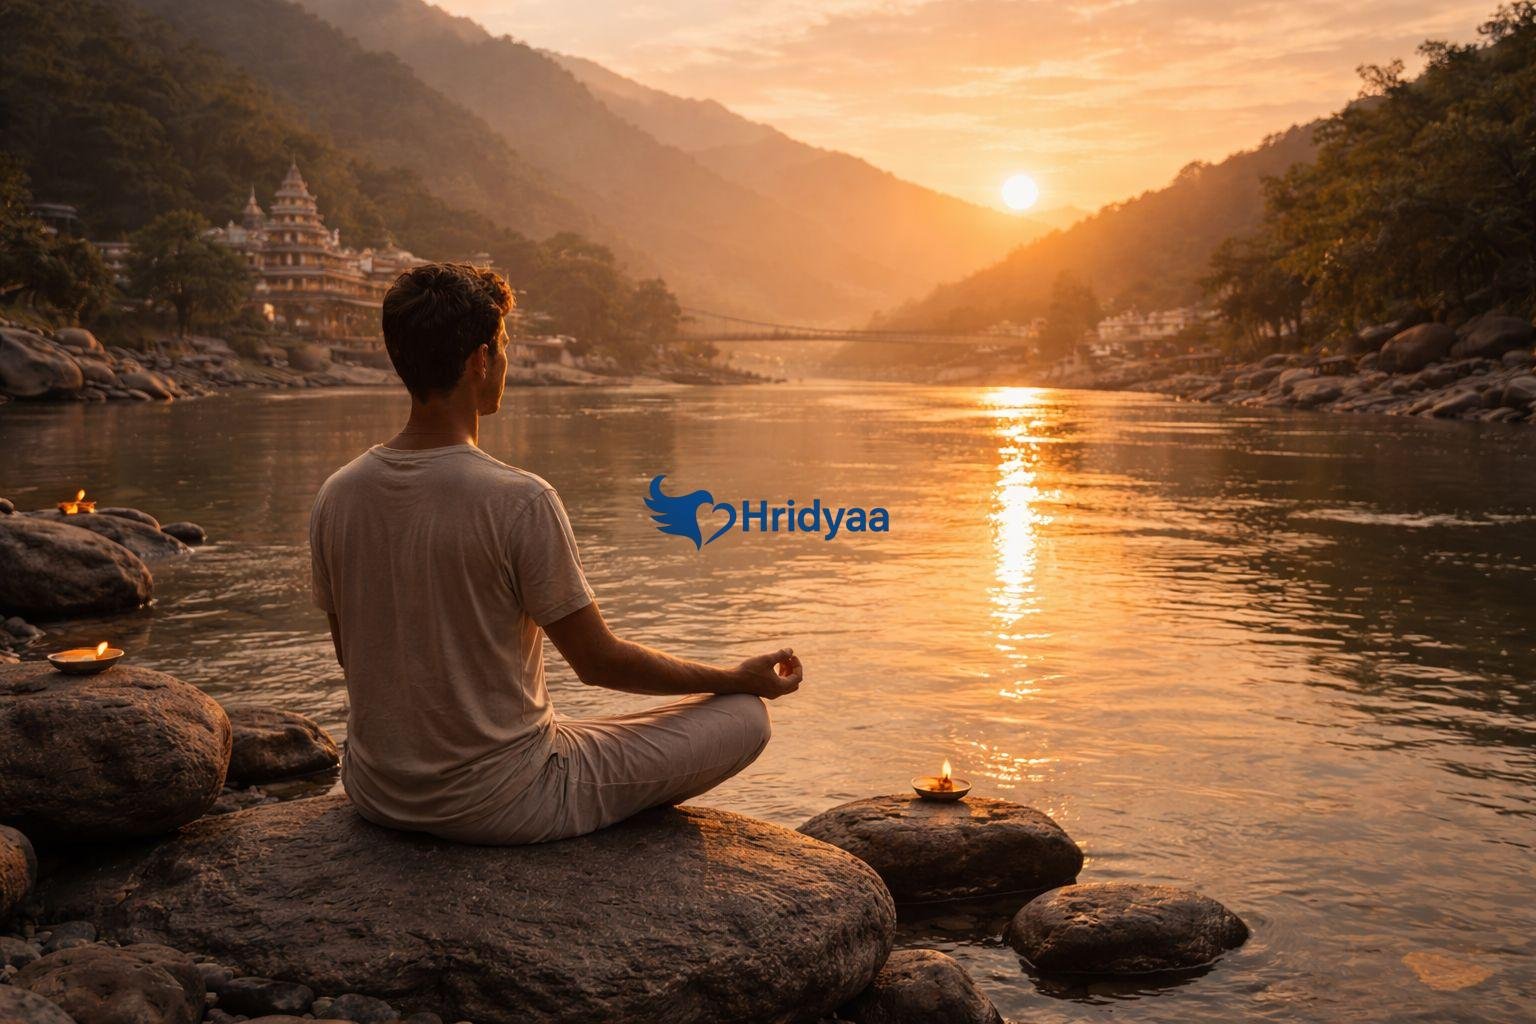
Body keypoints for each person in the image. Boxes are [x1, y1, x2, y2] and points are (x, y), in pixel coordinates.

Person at [308, 262, 802, 845]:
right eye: (504, 346)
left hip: (378, 791)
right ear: (479, 361)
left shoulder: (337, 493)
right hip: (505, 800)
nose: (507, 363)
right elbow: (599, 664)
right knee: (744, 716)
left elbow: (353, 657)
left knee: (582, 727)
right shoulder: (520, 500)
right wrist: (733, 676)